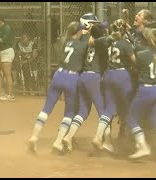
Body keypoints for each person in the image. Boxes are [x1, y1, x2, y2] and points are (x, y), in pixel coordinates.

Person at [28, 21, 88, 154]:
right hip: (72, 78)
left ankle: (34, 137)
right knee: (69, 112)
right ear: (78, 32)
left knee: (46, 109)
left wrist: (79, 33)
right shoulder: (83, 44)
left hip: (58, 75)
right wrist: (87, 33)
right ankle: (57, 142)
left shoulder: (64, 42)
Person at [62, 18, 110, 153]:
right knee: (103, 111)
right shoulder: (101, 43)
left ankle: (68, 137)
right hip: (93, 77)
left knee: (83, 111)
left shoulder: (86, 43)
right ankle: (103, 140)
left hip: (82, 77)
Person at [126, 27, 156, 160]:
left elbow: (134, 64)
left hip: (145, 89)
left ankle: (143, 147)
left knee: (131, 118)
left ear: (150, 40)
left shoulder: (143, 54)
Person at [91, 19, 136, 153]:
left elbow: (92, 42)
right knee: (130, 107)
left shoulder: (107, 41)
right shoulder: (125, 43)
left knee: (109, 109)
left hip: (108, 75)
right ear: (123, 31)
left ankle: (98, 137)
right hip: (122, 76)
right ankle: (138, 142)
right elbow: (134, 61)